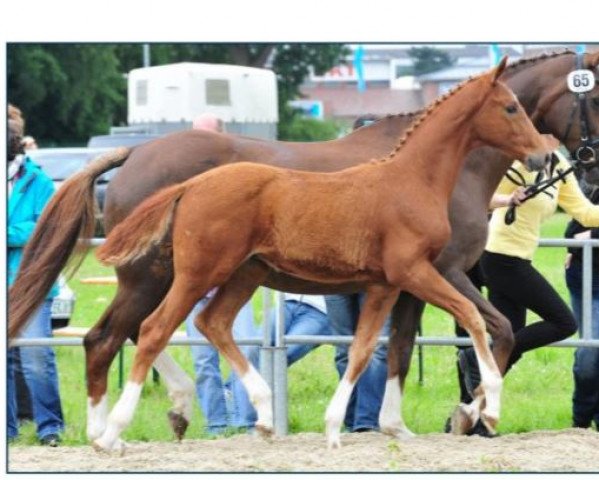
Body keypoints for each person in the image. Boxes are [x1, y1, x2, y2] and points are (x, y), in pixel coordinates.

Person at [458, 148, 599, 433]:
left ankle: (476, 416)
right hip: (499, 258)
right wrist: (508, 198)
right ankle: (479, 359)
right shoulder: (516, 160)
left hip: (518, 258)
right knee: (563, 323)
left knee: (508, 339)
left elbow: (585, 213)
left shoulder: (559, 166)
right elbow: (481, 197)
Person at [323, 114, 391, 434]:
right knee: (343, 346)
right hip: (335, 269)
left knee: (376, 346)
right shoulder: (334, 173)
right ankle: (350, 417)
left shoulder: (390, 180)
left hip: (374, 272)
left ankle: (366, 421)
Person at [8, 105, 65, 446]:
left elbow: (45, 228)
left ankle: (50, 428)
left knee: (36, 358)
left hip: (31, 284)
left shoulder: (39, 180)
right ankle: (7, 429)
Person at [564, 174, 599, 431]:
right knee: (589, 352)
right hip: (588, 277)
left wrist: (594, 233)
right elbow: (573, 235)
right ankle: (581, 422)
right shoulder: (591, 182)